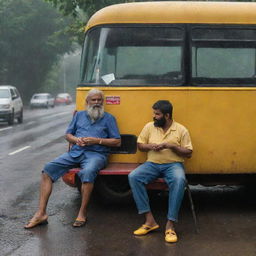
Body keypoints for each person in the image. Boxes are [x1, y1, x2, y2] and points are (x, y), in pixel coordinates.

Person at [24, 88, 121, 229]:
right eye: (93, 100)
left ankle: (82, 213)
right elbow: (68, 135)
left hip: (96, 155)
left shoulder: (109, 118)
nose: (97, 102)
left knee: (87, 173)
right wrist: (76, 140)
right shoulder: (79, 115)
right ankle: (41, 214)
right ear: (87, 101)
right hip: (76, 152)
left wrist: (97, 141)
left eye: (99, 100)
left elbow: (117, 141)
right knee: (48, 169)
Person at [128, 100, 193, 243]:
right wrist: (150, 146)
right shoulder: (149, 127)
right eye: (154, 113)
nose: (154, 116)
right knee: (134, 177)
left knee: (179, 180)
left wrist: (172, 146)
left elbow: (188, 152)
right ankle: (149, 221)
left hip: (173, 165)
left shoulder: (181, 129)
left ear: (167, 115)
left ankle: (170, 226)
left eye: (157, 114)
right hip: (152, 164)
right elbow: (140, 145)